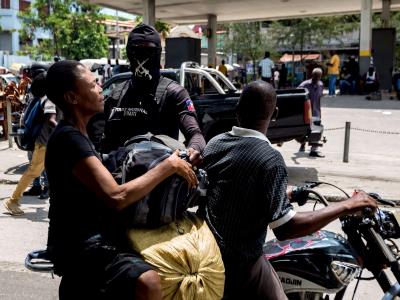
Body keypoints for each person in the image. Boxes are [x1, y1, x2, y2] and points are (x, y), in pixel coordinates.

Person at [201, 80, 377, 300]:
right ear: (274, 114)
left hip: (211, 255)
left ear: (237, 110)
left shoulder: (215, 144)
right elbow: (286, 228)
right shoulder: (270, 159)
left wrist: (289, 194)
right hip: (242, 264)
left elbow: (233, 188)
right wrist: (347, 205)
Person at [44, 60, 198, 299]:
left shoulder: (80, 134)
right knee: (149, 282)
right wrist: (169, 166)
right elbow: (116, 196)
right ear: (73, 97)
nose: (100, 87)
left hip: (94, 236)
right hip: (83, 244)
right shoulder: (69, 138)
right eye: (93, 84)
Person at [92, 23, 205, 165]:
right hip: (121, 179)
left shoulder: (174, 93)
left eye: (149, 51)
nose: (142, 57)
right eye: (136, 50)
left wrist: (193, 150)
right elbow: (103, 144)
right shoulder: (115, 95)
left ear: (157, 53)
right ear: (129, 53)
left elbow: (195, 134)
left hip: (162, 177)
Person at [3, 72, 58, 216]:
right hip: (45, 144)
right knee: (32, 172)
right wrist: (64, 129)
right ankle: (12, 200)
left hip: (49, 143)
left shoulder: (46, 98)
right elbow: (51, 119)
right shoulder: (49, 100)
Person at [298, 68, 324, 157]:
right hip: (307, 112)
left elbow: (319, 98)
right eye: (316, 76)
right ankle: (303, 144)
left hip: (316, 112)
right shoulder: (304, 85)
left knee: (316, 130)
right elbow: (298, 96)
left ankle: (314, 150)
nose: (317, 78)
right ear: (312, 75)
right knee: (306, 130)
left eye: (319, 76)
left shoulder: (320, 85)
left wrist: (320, 112)